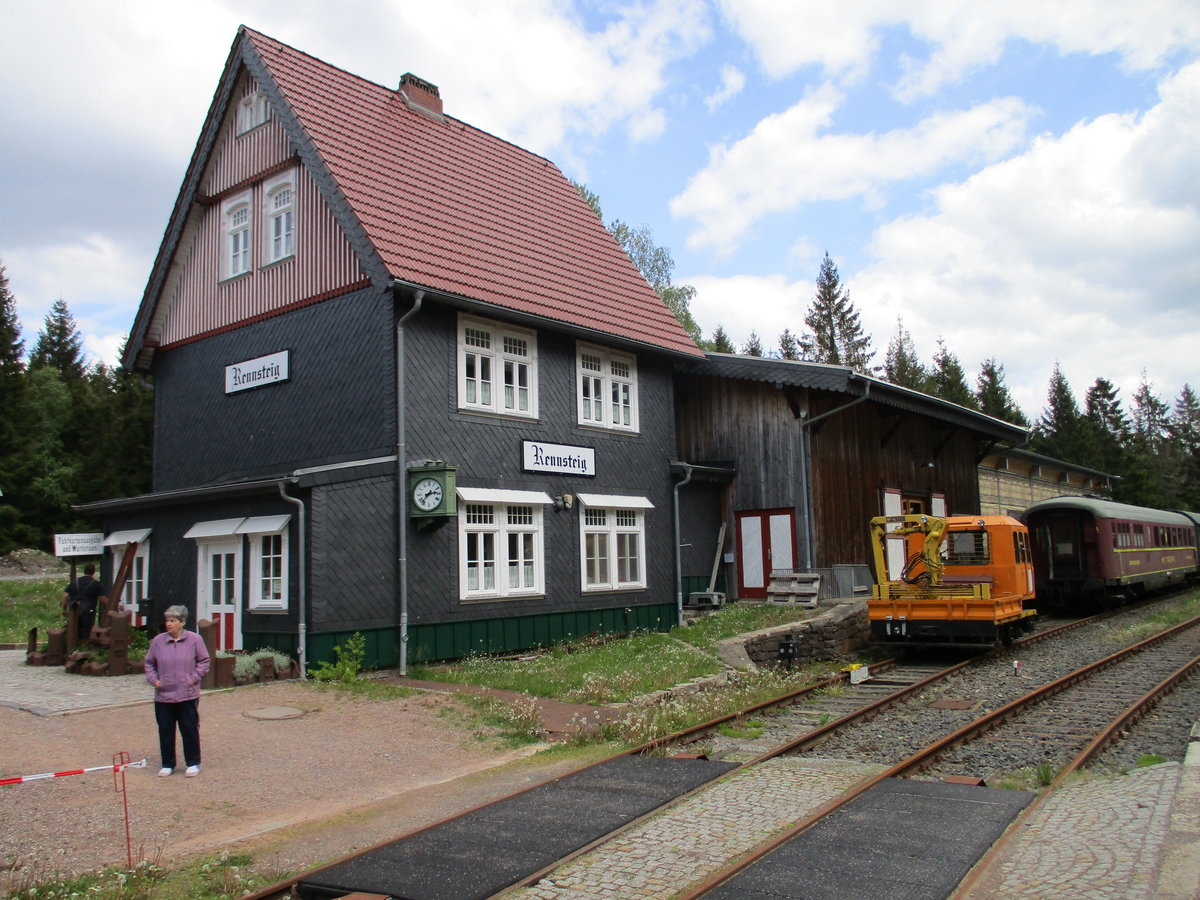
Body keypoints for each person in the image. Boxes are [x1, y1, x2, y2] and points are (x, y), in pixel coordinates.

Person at [144, 605, 210, 777]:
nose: (169, 624)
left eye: (173, 621)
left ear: (182, 622)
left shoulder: (195, 640)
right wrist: (154, 680)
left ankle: (193, 763)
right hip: (163, 694)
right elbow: (149, 663)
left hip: (187, 693)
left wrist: (193, 678)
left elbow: (204, 661)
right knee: (165, 729)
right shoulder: (158, 641)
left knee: (189, 728)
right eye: (167, 620)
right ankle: (168, 764)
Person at [61, 563, 107, 642]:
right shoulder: (95, 584)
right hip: (88, 611)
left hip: (73, 610)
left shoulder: (74, 582)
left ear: (84, 571)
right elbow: (103, 599)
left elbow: (65, 596)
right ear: (93, 572)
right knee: (85, 631)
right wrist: (116, 605)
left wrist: (64, 609)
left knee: (73, 628)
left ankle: (72, 645)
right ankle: (82, 646)